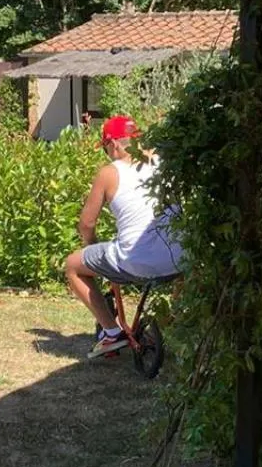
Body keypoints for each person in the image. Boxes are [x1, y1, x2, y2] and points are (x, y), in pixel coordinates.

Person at [64, 115, 183, 358]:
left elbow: (86, 224)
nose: (107, 154)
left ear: (114, 144)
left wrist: (91, 248)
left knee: (73, 266)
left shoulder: (109, 172)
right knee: (184, 260)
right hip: (179, 258)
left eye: (106, 148)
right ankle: (173, 323)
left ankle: (111, 332)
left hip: (135, 261)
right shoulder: (165, 160)